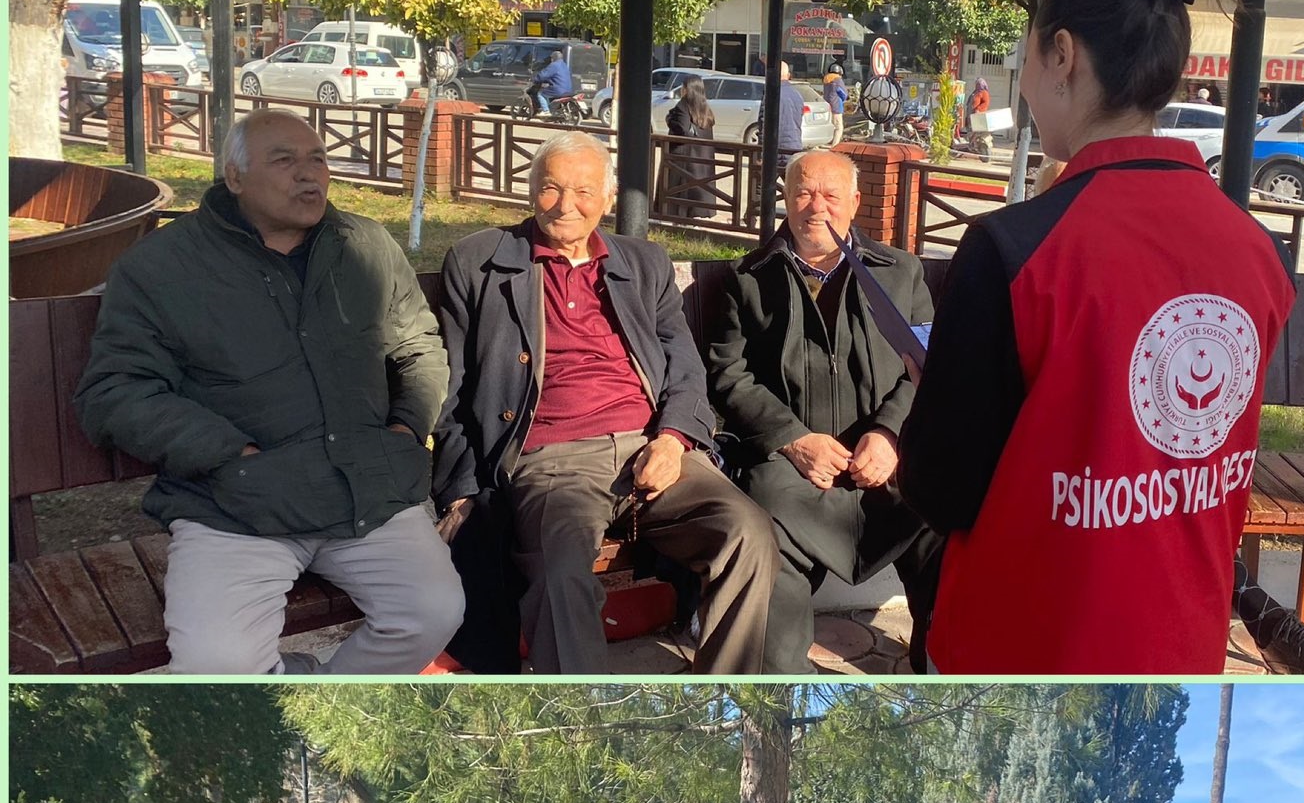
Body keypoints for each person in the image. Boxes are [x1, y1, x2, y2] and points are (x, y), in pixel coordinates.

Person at [896, 0, 1296, 676]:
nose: (1023, 85)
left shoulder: (1014, 250)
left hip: (1023, 651)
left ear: (1063, 55)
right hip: (1181, 646)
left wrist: (935, 393)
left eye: (1025, 59)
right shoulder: (1260, 252)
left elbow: (942, 490)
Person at [73, 110, 465, 675]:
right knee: (216, 667)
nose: (309, 174)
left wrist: (405, 429)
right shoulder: (162, 267)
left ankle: (316, 704)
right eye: (284, 160)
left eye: (318, 159)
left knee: (433, 613)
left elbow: (419, 347)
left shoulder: (365, 245)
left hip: (366, 489)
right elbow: (114, 390)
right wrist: (230, 452)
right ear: (234, 176)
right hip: (235, 503)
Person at [432, 133, 779, 673]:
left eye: (584, 191)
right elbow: (450, 387)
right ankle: (578, 716)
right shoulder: (479, 262)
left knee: (747, 534)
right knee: (560, 577)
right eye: (551, 188)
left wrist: (673, 439)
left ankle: (723, 693)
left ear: (609, 198)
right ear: (530, 189)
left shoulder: (643, 262)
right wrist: (460, 490)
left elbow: (685, 366)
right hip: (553, 462)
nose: (565, 205)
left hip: (653, 447)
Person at [708, 148, 944, 673]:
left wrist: (889, 433)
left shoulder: (900, 272)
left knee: (938, 524)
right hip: (792, 464)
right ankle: (784, 686)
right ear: (786, 199)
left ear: (855, 202)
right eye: (803, 193)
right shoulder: (748, 277)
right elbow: (728, 375)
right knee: (767, 534)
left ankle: (936, 669)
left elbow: (926, 368)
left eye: (831, 195)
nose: (817, 207)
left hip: (886, 459)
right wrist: (793, 440)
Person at [661, 78, 717, 220]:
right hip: (702, 157)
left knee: (679, 187)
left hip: (683, 156)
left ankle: (677, 215)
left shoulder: (683, 105)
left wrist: (670, 120)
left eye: (683, 87)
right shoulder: (704, 106)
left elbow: (682, 129)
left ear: (687, 89)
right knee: (698, 187)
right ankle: (698, 212)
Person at [775, 61, 807, 180]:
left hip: (777, 148)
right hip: (794, 145)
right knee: (793, 184)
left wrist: (760, 153)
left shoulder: (772, 93)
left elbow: (764, 123)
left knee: (760, 185)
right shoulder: (797, 94)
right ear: (788, 75)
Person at [527, 50, 575, 119]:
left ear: (554, 58)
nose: (551, 60)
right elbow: (557, 77)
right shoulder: (564, 65)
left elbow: (543, 75)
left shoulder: (554, 65)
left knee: (541, 94)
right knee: (549, 91)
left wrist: (536, 79)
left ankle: (546, 111)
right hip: (568, 89)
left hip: (558, 89)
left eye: (551, 58)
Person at [965, 73, 993, 160]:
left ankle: (975, 145)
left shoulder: (984, 93)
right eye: (976, 84)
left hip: (978, 116)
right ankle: (972, 145)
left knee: (976, 131)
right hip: (971, 115)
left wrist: (978, 109)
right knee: (970, 130)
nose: (977, 85)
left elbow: (986, 103)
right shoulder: (975, 92)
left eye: (978, 84)